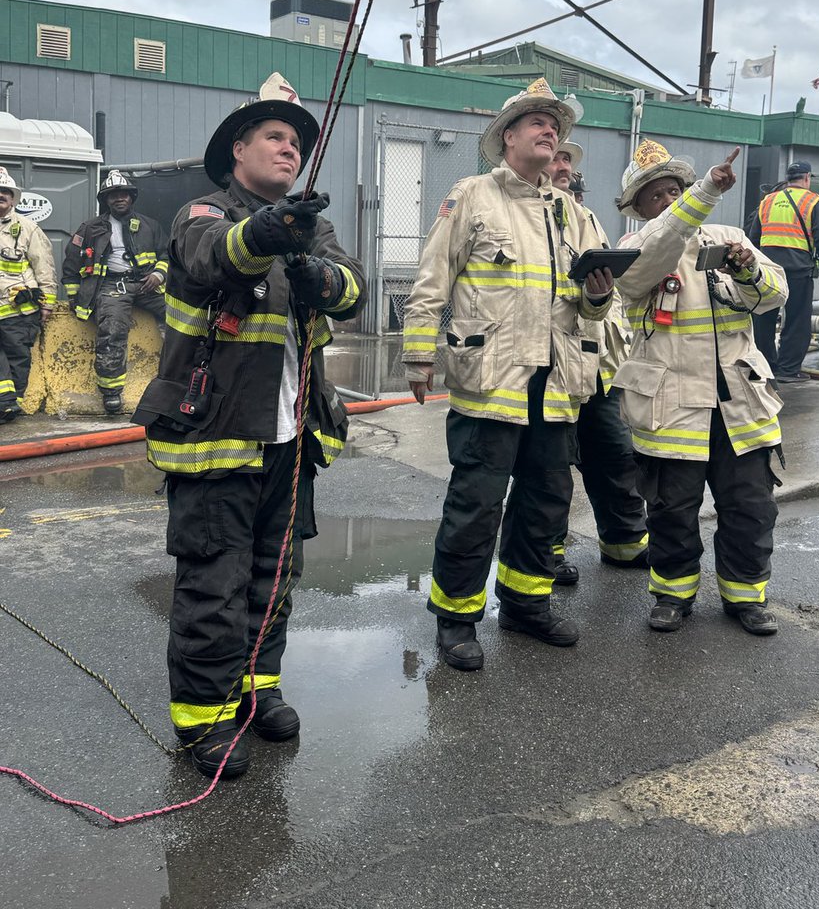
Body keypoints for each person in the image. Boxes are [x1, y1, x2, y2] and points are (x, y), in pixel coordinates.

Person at [134, 72, 366, 778]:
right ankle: (202, 723)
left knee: (275, 579)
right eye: (275, 137)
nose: (289, 151)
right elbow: (215, 257)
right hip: (216, 442)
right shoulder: (201, 214)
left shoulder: (313, 227)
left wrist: (320, 274)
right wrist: (265, 232)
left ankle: (257, 693)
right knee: (214, 586)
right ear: (239, 149)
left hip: (291, 443)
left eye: (297, 143)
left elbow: (352, 289)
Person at [402, 77, 614, 672]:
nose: (551, 131)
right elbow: (432, 275)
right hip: (491, 379)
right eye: (537, 123)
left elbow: (597, 304)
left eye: (556, 125)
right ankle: (458, 618)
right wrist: (418, 354)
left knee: (546, 502)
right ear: (508, 138)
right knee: (477, 503)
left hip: (557, 385)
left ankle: (525, 603)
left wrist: (597, 296)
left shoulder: (573, 212)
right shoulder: (472, 195)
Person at [612, 140, 787, 636]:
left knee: (750, 508)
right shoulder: (632, 249)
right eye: (655, 196)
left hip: (739, 404)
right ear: (638, 208)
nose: (667, 200)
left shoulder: (730, 236)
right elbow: (648, 264)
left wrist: (747, 270)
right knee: (671, 510)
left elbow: (774, 295)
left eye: (674, 190)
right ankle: (672, 595)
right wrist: (703, 195)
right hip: (669, 406)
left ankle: (746, 597)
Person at [544, 141, 648, 583]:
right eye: (558, 158)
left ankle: (625, 543)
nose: (565, 167)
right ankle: (545, 553)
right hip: (553, 368)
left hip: (600, 366)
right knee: (550, 469)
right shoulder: (520, 216)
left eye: (570, 162)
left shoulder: (585, 221)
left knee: (617, 457)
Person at [63, 170, 168, 414]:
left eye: (123, 194)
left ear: (131, 197)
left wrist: (157, 275)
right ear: (106, 200)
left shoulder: (150, 225)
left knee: (179, 315)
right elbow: (71, 263)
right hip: (111, 286)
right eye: (112, 196)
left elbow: (166, 255)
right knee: (112, 328)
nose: (119, 199)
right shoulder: (90, 228)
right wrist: (73, 295)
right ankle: (111, 392)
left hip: (146, 284)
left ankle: (178, 376)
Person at [748, 160, 819, 384]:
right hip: (798, 270)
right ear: (807, 178)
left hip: (767, 270)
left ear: (788, 179)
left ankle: (766, 365)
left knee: (764, 318)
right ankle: (787, 370)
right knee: (796, 320)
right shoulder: (814, 201)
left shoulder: (768, 200)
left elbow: (753, 237)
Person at [0, 167, 57, 422]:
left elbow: (44, 266)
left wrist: (47, 304)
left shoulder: (27, 228)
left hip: (17, 309)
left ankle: (12, 405)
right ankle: (6, 403)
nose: (0, 196)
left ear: (13, 199)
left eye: (5, 192)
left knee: (17, 357)